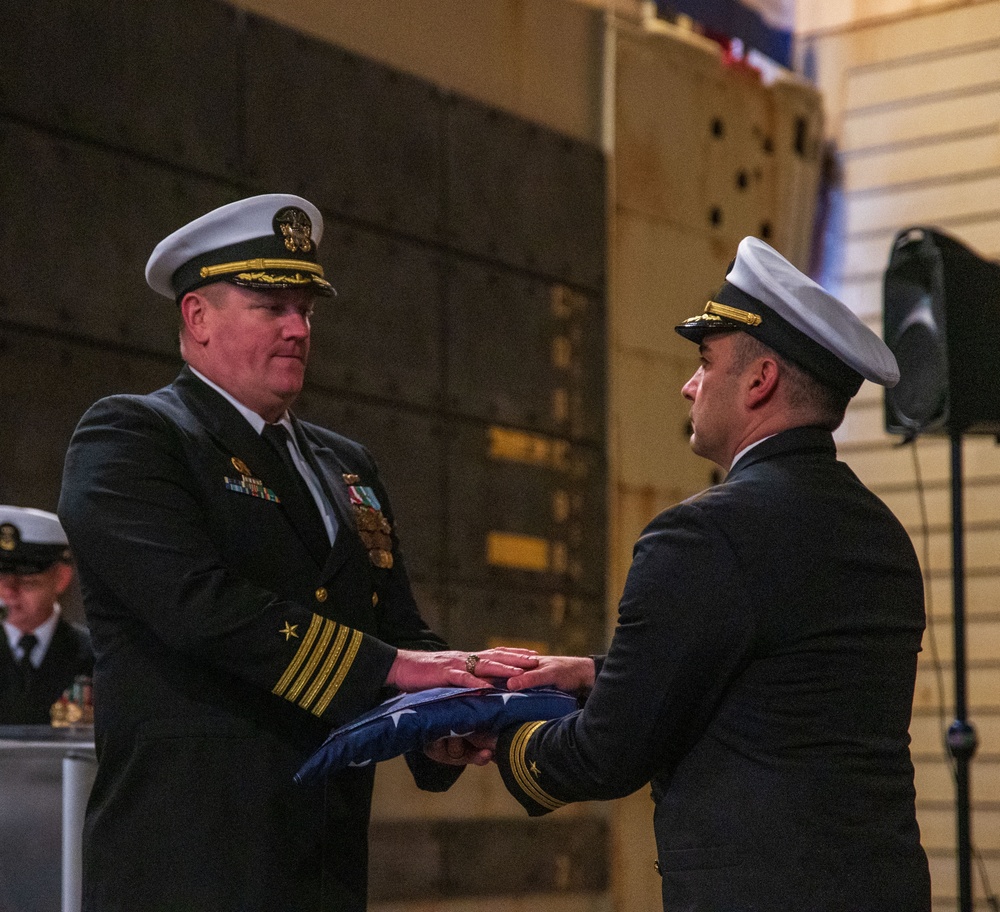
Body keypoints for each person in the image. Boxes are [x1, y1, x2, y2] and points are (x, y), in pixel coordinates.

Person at [57, 194, 538, 912]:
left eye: (307, 309)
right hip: (186, 865)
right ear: (197, 317)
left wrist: (444, 713)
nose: (298, 328)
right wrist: (396, 671)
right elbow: (200, 608)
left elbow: (397, 624)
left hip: (323, 865)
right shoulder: (133, 437)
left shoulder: (346, 466)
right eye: (271, 305)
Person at [435, 237, 932, 911]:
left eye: (705, 362)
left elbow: (608, 754)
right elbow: (770, 683)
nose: (689, 384)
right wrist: (595, 673)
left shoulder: (702, 535)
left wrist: (500, 732)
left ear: (759, 383)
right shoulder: (880, 534)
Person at [0, 505, 93, 725]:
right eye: (1, 580)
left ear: (61, 578)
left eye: (27, 581)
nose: (9, 593)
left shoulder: (95, 656)